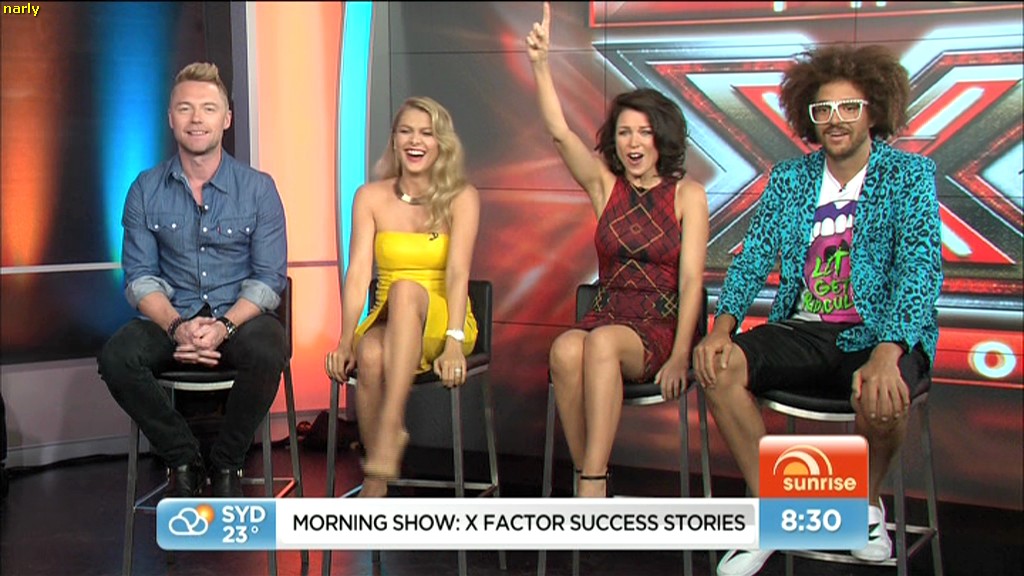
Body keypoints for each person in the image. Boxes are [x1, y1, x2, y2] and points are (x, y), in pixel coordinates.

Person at [693, 44, 942, 576]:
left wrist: (889, 351)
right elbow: (753, 256)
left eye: (849, 107)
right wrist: (721, 328)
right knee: (718, 365)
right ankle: (777, 513)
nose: (835, 119)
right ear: (810, 116)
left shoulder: (910, 174)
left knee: (882, 391)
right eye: (823, 109)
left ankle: (863, 509)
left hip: (880, 332)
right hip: (805, 328)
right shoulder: (790, 178)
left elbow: (920, 268)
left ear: (873, 111)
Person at [526, 2, 710, 498]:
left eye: (644, 132)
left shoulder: (688, 195)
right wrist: (541, 65)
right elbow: (559, 133)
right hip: (607, 314)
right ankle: (593, 475)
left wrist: (680, 355)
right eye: (625, 132)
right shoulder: (606, 186)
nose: (633, 142)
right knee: (566, 349)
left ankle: (589, 486)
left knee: (602, 344)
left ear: (661, 138)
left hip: (658, 326)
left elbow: (692, 280)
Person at [98, 62, 288, 499]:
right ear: (171, 118)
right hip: (173, 317)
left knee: (269, 347)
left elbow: (268, 278)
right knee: (117, 357)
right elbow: (140, 278)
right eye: (185, 108)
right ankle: (183, 457)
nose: (196, 118)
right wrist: (177, 327)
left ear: (227, 118)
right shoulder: (145, 188)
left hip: (238, 319)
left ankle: (227, 463)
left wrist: (224, 327)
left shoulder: (259, 189)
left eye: (208, 108)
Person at [325, 96, 480, 498]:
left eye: (426, 133)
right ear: (393, 139)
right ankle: (377, 477)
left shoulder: (461, 197)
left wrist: (454, 343)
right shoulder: (370, 197)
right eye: (406, 131)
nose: (415, 141)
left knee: (407, 289)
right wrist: (345, 340)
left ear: (441, 143)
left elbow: (459, 273)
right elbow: (359, 274)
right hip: (388, 315)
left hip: (444, 318)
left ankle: (391, 426)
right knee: (370, 353)